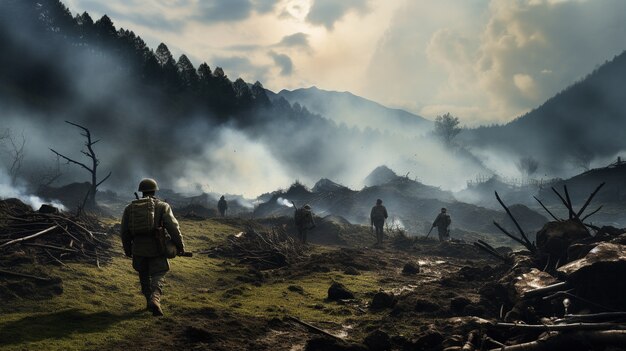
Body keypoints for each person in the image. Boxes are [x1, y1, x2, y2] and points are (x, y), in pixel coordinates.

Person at [121, 178, 185, 316]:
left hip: (138, 248)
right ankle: (155, 299)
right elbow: (174, 228)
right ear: (155, 190)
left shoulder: (129, 208)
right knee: (159, 273)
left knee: (143, 275)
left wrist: (127, 249)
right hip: (157, 247)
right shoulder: (162, 206)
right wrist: (180, 246)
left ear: (141, 191)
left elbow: (124, 232)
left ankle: (148, 302)